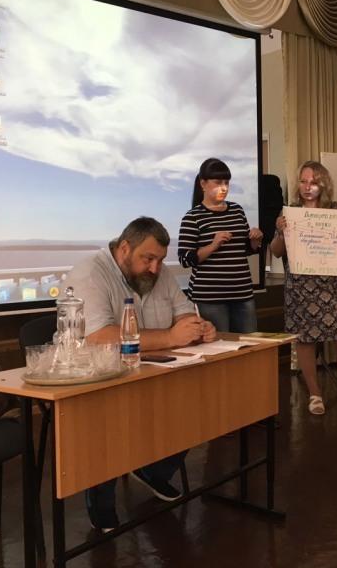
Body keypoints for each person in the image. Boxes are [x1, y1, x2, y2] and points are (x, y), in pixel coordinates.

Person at [64, 216, 216, 532]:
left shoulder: (158, 272)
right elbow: (99, 338)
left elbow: (184, 312)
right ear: (124, 248)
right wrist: (171, 337)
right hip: (101, 380)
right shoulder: (90, 273)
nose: (155, 268)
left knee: (201, 403)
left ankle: (153, 471)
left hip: (154, 371)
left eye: (160, 260)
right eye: (148, 259)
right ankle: (101, 497)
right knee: (112, 420)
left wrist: (198, 328)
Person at [270, 160, 337, 415]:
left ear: (324, 185)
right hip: (300, 288)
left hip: (331, 286)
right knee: (305, 341)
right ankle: (315, 395)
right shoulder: (290, 212)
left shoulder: (334, 210)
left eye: (314, 182)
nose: (308, 187)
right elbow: (275, 251)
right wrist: (280, 232)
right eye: (303, 181)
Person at [177, 158, 263, 333]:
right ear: (203, 184)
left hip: (242, 294)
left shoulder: (237, 210)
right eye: (218, 182)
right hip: (209, 298)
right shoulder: (193, 217)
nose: (224, 187)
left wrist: (255, 241)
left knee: (250, 344)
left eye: (226, 182)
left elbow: (244, 250)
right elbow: (185, 259)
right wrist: (213, 245)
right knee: (218, 345)